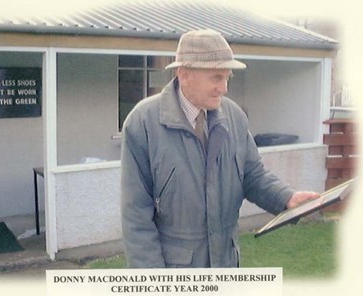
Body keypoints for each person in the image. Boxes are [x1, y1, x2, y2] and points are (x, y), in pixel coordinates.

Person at [120, 29, 318, 268]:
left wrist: (286, 197)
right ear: (184, 74)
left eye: (227, 77)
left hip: (226, 266)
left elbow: (252, 175)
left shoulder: (235, 116)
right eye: (216, 77)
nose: (224, 88)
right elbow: (136, 216)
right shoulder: (142, 123)